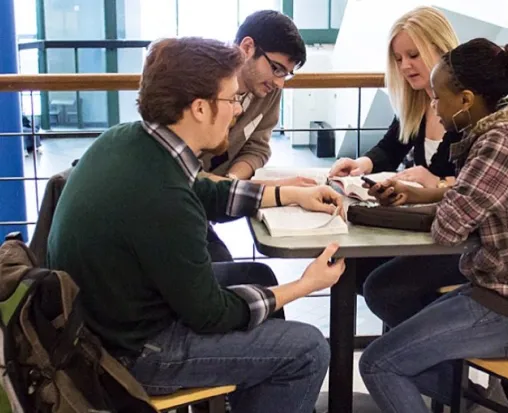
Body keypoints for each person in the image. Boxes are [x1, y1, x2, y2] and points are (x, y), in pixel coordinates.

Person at [47, 37, 346, 413]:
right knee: (309, 349)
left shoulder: (125, 140)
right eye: (232, 99)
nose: (237, 111)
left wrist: (287, 195)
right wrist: (305, 285)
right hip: (132, 356)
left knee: (258, 274)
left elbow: (204, 190)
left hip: (100, 326)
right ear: (200, 108)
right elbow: (211, 314)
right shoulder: (164, 198)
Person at [358, 35, 508, 412]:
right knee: (384, 294)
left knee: (378, 364)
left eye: (439, 97)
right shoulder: (500, 133)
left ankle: (458, 392)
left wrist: (435, 199)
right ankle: (468, 396)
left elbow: (449, 229)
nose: (434, 106)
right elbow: (472, 200)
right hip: (505, 294)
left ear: (467, 100)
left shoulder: (497, 144)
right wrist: (423, 195)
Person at [329, 6, 465, 326]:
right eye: (399, 58)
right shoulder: (418, 99)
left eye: (413, 55)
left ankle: (423, 355)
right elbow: (392, 145)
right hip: (425, 230)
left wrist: (436, 181)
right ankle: (415, 353)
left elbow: (484, 185)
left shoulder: (469, 106)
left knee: (384, 288)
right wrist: (361, 164)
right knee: (352, 266)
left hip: (461, 239)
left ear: (442, 48)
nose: (405, 66)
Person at [200, 10, 315, 262]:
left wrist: (231, 181)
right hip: (179, 209)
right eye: (276, 68)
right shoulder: (198, 84)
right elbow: (184, 178)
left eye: (286, 73)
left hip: (208, 204)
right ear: (247, 47)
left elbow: (258, 148)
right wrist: (280, 191)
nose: (280, 82)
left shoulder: (268, 90)